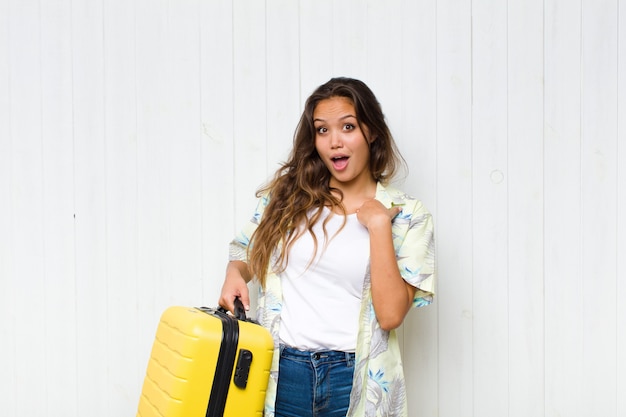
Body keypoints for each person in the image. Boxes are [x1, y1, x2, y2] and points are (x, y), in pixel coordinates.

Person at [218, 77, 435, 417]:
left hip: (352, 375)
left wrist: (379, 227)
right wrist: (235, 272)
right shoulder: (287, 199)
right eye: (322, 130)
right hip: (282, 370)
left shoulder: (407, 216)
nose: (335, 142)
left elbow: (391, 315)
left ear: (372, 132)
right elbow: (245, 250)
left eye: (348, 127)